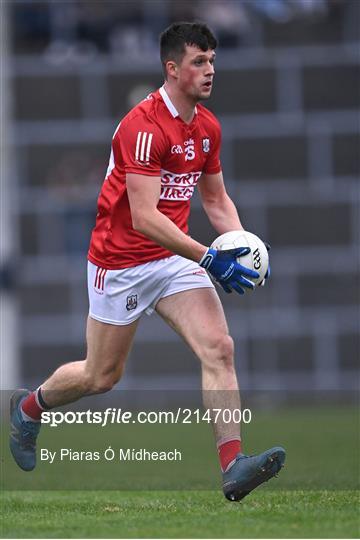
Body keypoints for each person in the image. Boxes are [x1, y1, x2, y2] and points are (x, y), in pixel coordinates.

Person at [10, 21, 285, 502]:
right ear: (172, 68)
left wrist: (241, 245)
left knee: (219, 348)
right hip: (121, 262)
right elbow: (142, 217)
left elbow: (216, 201)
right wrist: (210, 257)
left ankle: (233, 465)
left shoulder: (207, 127)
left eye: (213, 61)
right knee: (101, 377)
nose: (209, 70)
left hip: (173, 257)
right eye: (199, 62)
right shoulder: (143, 126)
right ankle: (29, 409)